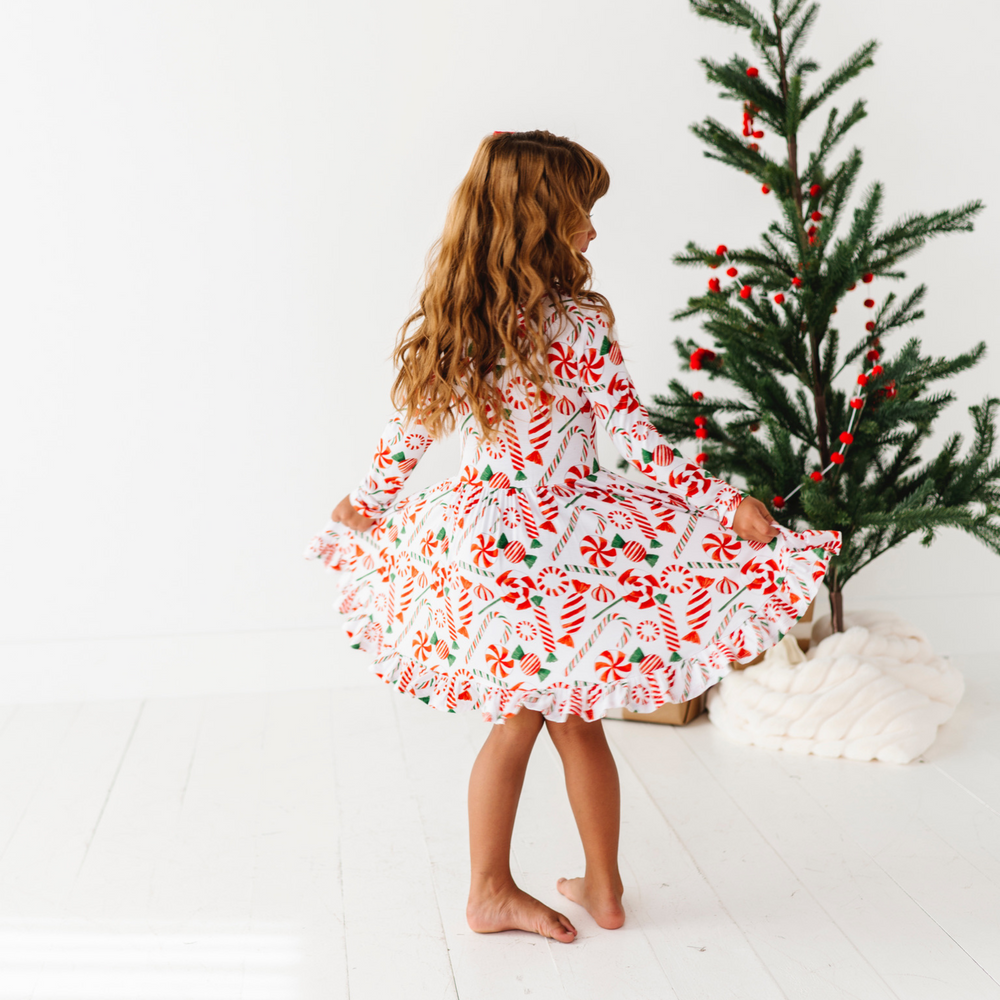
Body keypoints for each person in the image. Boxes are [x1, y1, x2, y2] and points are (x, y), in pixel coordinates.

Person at [307, 130, 841, 943]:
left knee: (528, 717)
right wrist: (722, 504)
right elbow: (643, 445)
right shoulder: (579, 324)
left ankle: (536, 886)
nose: (592, 231)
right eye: (580, 214)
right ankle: (584, 887)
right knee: (568, 718)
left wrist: (364, 503)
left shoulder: (463, 320)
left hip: (487, 543)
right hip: (565, 541)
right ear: (539, 222)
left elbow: (406, 439)